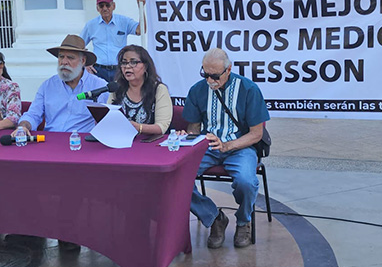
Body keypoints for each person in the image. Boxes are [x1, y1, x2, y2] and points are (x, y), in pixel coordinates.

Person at [182, 48, 270, 248]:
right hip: (207, 146)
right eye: (205, 74)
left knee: (246, 182)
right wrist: (189, 138)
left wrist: (228, 145)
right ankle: (214, 218)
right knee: (178, 179)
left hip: (240, 146)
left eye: (214, 76)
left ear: (228, 69)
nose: (210, 80)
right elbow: (193, 129)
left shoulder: (248, 89)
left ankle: (243, 220)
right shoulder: (197, 90)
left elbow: (256, 134)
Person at [15, 34, 108, 136]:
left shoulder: (100, 86)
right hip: (51, 141)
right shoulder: (48, 86)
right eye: (61, 57)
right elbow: (33, 114)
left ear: (83, 61)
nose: (64, 62)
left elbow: (109, 121)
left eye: (70, 58)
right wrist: (23, 126)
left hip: (81, 143)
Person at [107, 45, 172, 135]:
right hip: (120, 140)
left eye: (133, 62)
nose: (127, 67)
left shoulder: (159, 89)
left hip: (149, 143)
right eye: (124, 63)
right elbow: (108, 118)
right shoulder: (117, 87)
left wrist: (139, 128)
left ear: (145, 66)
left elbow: (162, 127)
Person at [80, 0, 141, 82]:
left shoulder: (124, 21)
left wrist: (141, 8)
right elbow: (79, 45)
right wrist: (86, 64)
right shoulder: (91, 25)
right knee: (100, 95)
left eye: (107, 5)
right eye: (101, 6)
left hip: (119, 69)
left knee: (120, 95)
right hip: (98, 70)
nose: (105, 8)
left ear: (113, 6)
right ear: (97, 8)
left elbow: (140, 30)